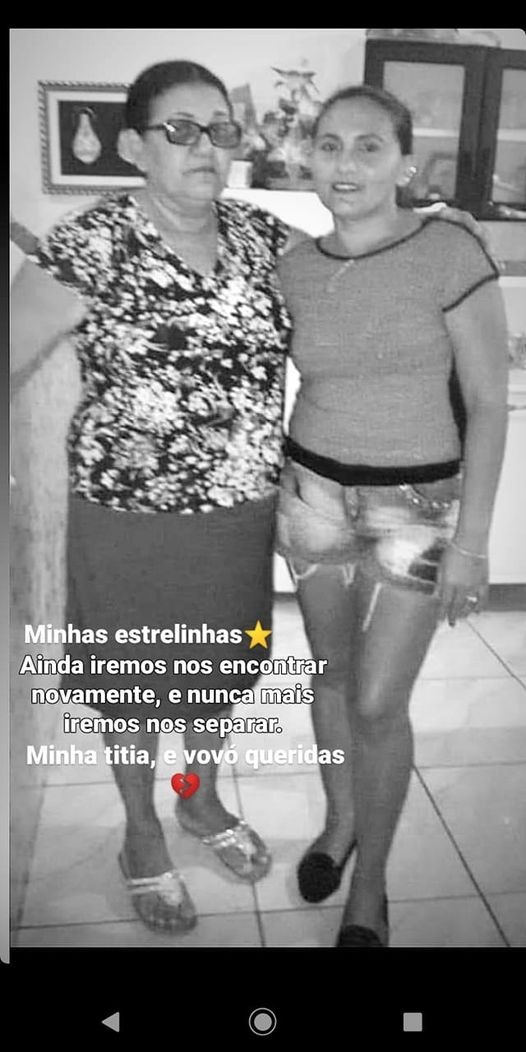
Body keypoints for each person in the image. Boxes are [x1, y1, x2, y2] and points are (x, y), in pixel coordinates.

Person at [11, 61, 493, 940]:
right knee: (133, 686)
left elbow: (364, 250)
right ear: (134, 147)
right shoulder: (89, 243)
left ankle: (198, 799)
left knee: (216, 674)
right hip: (127, 515)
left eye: (221, 129)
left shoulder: (265, 240)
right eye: (180, 130)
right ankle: (142, 831)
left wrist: (440, 224)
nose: (207, 147)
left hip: (242, 511)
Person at [276, 84, 508, 948]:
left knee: (378, 701)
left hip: (415, 505)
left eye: (369, 146)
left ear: (405, 163)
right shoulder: (294, 266)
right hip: (311, 496)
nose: (346, 164)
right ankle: (341, 823)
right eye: (330, 145)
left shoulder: (450, 251)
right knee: (331, 676)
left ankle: (369, 886)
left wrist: (472, 546)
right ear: (310, 159)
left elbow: (488, 403)